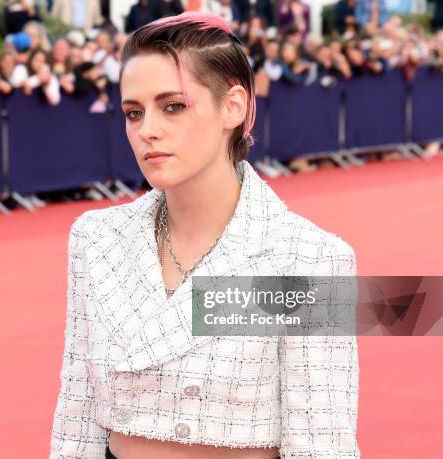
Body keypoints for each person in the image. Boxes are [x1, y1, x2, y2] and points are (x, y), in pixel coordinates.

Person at [50, 11, 359, 459]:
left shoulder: (308, 259)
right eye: (133, 112)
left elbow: (322, 442)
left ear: (232, 106)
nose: (146, 130)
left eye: (172, 105)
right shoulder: (96, 240)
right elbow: (76, 412)